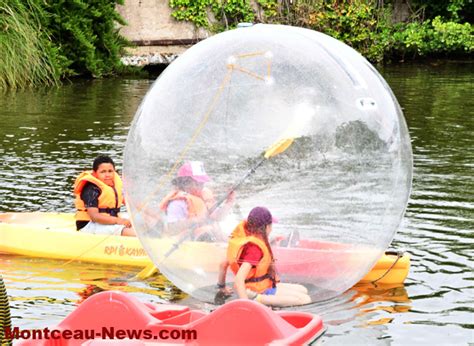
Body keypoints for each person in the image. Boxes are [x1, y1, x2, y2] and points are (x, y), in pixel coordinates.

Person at [218, 206, 311, 307]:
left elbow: (222, 264)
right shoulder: (254, 250)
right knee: (305, 299)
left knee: (303, 289)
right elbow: (239, 279)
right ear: (266, 227)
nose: (271, 228)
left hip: (264, 285)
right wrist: (247, 305)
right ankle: (256, 299)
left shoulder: (246, 239)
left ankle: (256, 295)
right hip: (257, 291)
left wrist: (222, 287)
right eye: (271, 225)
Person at [159, 161, 234, 242]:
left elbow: (218, 217)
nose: (202, 187)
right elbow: (171, 229)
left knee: (215, 231)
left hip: (209, 241)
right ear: (185, 183)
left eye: (203, 183)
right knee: (207, 231)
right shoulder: (177, 203)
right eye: (198, 183)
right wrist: (195, 220)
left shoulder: (203, 196)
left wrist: (229, 202)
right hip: (186, 245)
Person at [74, 155, 135, 237]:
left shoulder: (113, 184)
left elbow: (129, 202)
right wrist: (118, 221)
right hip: (89, 224)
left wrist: (149, 213)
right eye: (103, 172)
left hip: (109, 218)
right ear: (95, 173)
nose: (107, 175)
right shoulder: (91, 188)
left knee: (139, 221)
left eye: (110, 171)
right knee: (128, 231)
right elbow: (94, 216)